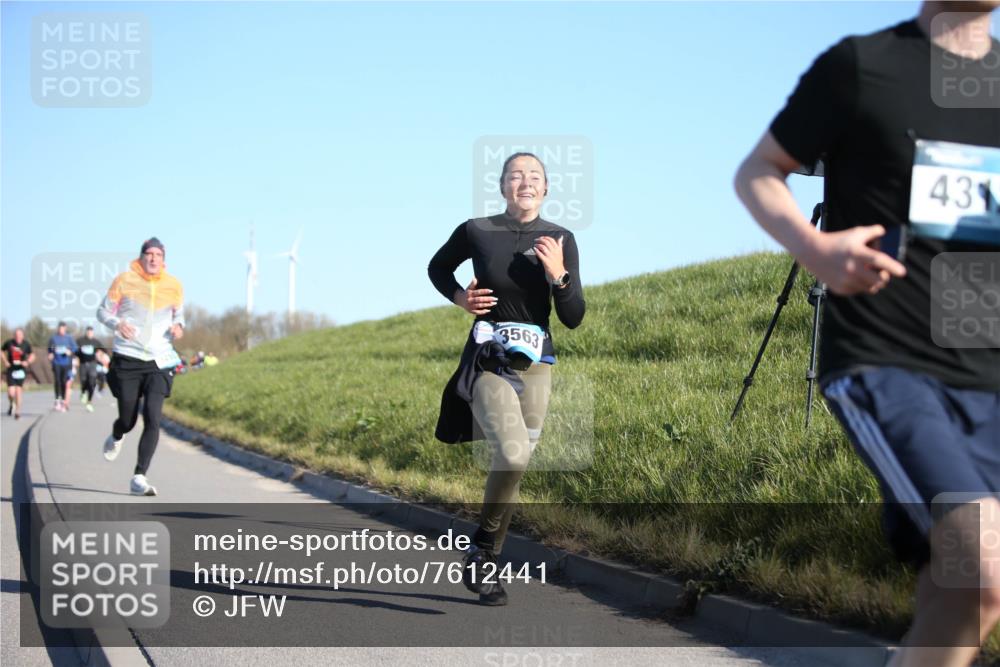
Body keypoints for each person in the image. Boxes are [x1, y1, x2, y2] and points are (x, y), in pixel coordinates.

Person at [734, 3, 999, 665]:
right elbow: (759, 170)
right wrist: (816, 250)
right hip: (887, 355)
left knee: (960, 590)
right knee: (983, 564)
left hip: (988, 370)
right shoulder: (863, 64)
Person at [428, 152, 585, 605]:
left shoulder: (561, 238)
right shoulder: (476, 230)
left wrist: (560, 276)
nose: (525, 182)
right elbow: (437, 267)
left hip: (537, 366)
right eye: (516, 176)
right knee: (513, 455)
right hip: (489, 358)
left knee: (513, 468)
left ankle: (485, 562)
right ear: (502, 187)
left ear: (547, 188)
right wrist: (461, 297)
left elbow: (573, 317)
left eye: (534, 176)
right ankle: (484, 547)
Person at [97, 237, 185, 496]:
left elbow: (179, 315)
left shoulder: (174, 285)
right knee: (128, 419)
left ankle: (139, 476)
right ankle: (117, 434)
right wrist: (116, 324)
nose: (154, 258)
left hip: (159, 360)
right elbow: (103, 312)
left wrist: (179, 327)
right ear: (142, 256)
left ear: (163, 259)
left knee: (154, 418)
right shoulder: (124, 280)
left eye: (158, 254)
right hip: (128, 356)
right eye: (149, 253)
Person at [2, 328, 35, 419]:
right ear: (14, 336)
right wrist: (5, 361)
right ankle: (12, 403)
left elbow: (32, 355)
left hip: (21, 370)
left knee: (18, 391)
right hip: (11, 369)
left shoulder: (26, 344)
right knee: (11, 392)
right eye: (16, 335)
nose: (18, 337)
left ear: (22, 336)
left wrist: (27, 362)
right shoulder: (9, 343)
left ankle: (18, 411)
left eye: (20, 335)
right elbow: (1, 351)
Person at [47, 321, 77, 412]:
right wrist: (50, 354)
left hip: (66, 363)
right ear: (58, 329)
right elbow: (49, 349)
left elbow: (75, 348)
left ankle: (63, 400)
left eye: (63, 328)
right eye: (60, 328)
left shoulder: (69, 338)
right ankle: (57, 400)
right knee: (57, 380)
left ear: (65, 329)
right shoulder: (53, 338)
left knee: (64, 381)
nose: (61, 330)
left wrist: (70, 352)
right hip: (56, 362)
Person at [75, 326, 106, 412]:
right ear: (86, 332)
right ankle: (83, 392)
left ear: (93, 333)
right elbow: (75, 351)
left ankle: (89, 402)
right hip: (83, 364)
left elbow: (103, 350)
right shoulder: (80, 341)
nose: (89, 333)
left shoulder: (96, 342)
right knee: (84, 381)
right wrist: (76, 359)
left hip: (93, 364)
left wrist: (100, 354)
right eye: (88, 332)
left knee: (92, 382)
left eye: (91, 332)